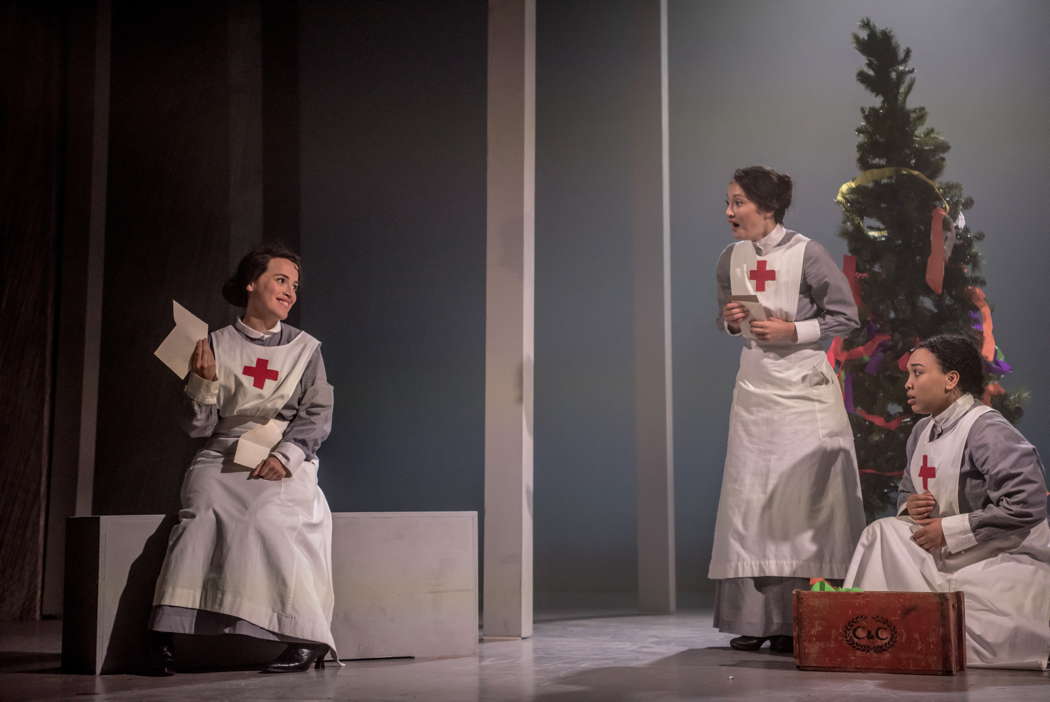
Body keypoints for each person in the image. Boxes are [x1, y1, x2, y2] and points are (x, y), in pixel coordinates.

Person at [148, 245, 337, 674]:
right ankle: (165, 636)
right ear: (251, 283)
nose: (290, 292)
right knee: (200, 514)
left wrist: (287, 456)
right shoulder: (212, 344)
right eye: (280, 279)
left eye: (295, 285)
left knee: (269, 518)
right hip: (222, 452)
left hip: (284, 454)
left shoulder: (307, 350)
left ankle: (302, 635)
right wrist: (204, 382)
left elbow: (317, 415)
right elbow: (197, 428)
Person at [708, 166, 865, 653]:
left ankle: (804, 619)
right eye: (729, 202)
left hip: (802, 391)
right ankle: (757, 621)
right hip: (756, 392)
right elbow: (726, 317)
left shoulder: (807, 253)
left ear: (767, 207)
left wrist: (791, 331)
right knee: (752, 503)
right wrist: (733, 321)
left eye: (738, 202)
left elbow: (846, 317)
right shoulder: (729, 258)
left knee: (803, 503)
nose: (729, 212)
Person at [844, 334, 1050, 669]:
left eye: (918, 373)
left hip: (1000, 553)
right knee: (881, 533)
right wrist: (910, 506)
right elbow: (909, 491)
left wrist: (949, 530)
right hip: (945, 551)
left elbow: (1027, 504)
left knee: (975, 630)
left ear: (951, 379)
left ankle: (904, 632)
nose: (908, 384)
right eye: (909, 374)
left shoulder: (987, 430)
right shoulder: (922, 431)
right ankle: (869, 633)